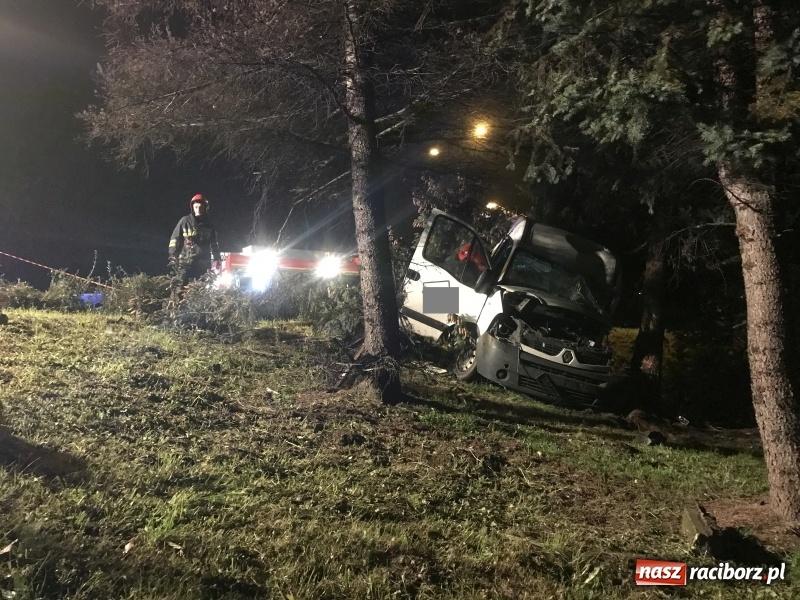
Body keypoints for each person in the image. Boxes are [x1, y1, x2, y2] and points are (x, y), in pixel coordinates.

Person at [169, 193, 221, 286]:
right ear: (192, 207)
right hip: (186, 262)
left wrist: (217, 258)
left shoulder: (209, 225)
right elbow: (174, 239)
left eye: (201, 207)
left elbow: (214, 244)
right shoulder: (184, 221)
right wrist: (173, 255)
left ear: (205, 208)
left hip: (203, 263)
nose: (198, 209)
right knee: (181, 288)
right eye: (196, 207)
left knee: (200, 289)